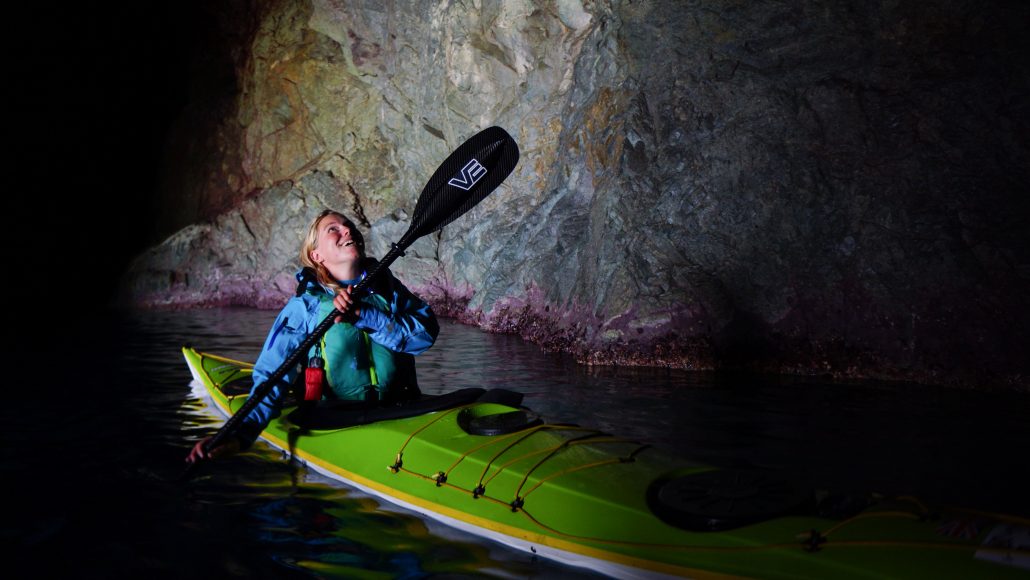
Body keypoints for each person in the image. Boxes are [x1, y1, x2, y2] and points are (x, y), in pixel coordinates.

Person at [187, 209, 439, 462]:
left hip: (403, 409)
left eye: (348, 225)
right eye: (334, 229)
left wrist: (365, 315)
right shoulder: (306, 307)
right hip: (334, 416)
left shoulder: (388, 290)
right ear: (316, 255)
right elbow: (274, 374)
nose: (348, 230)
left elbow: (425, 337)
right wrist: (240, 434)